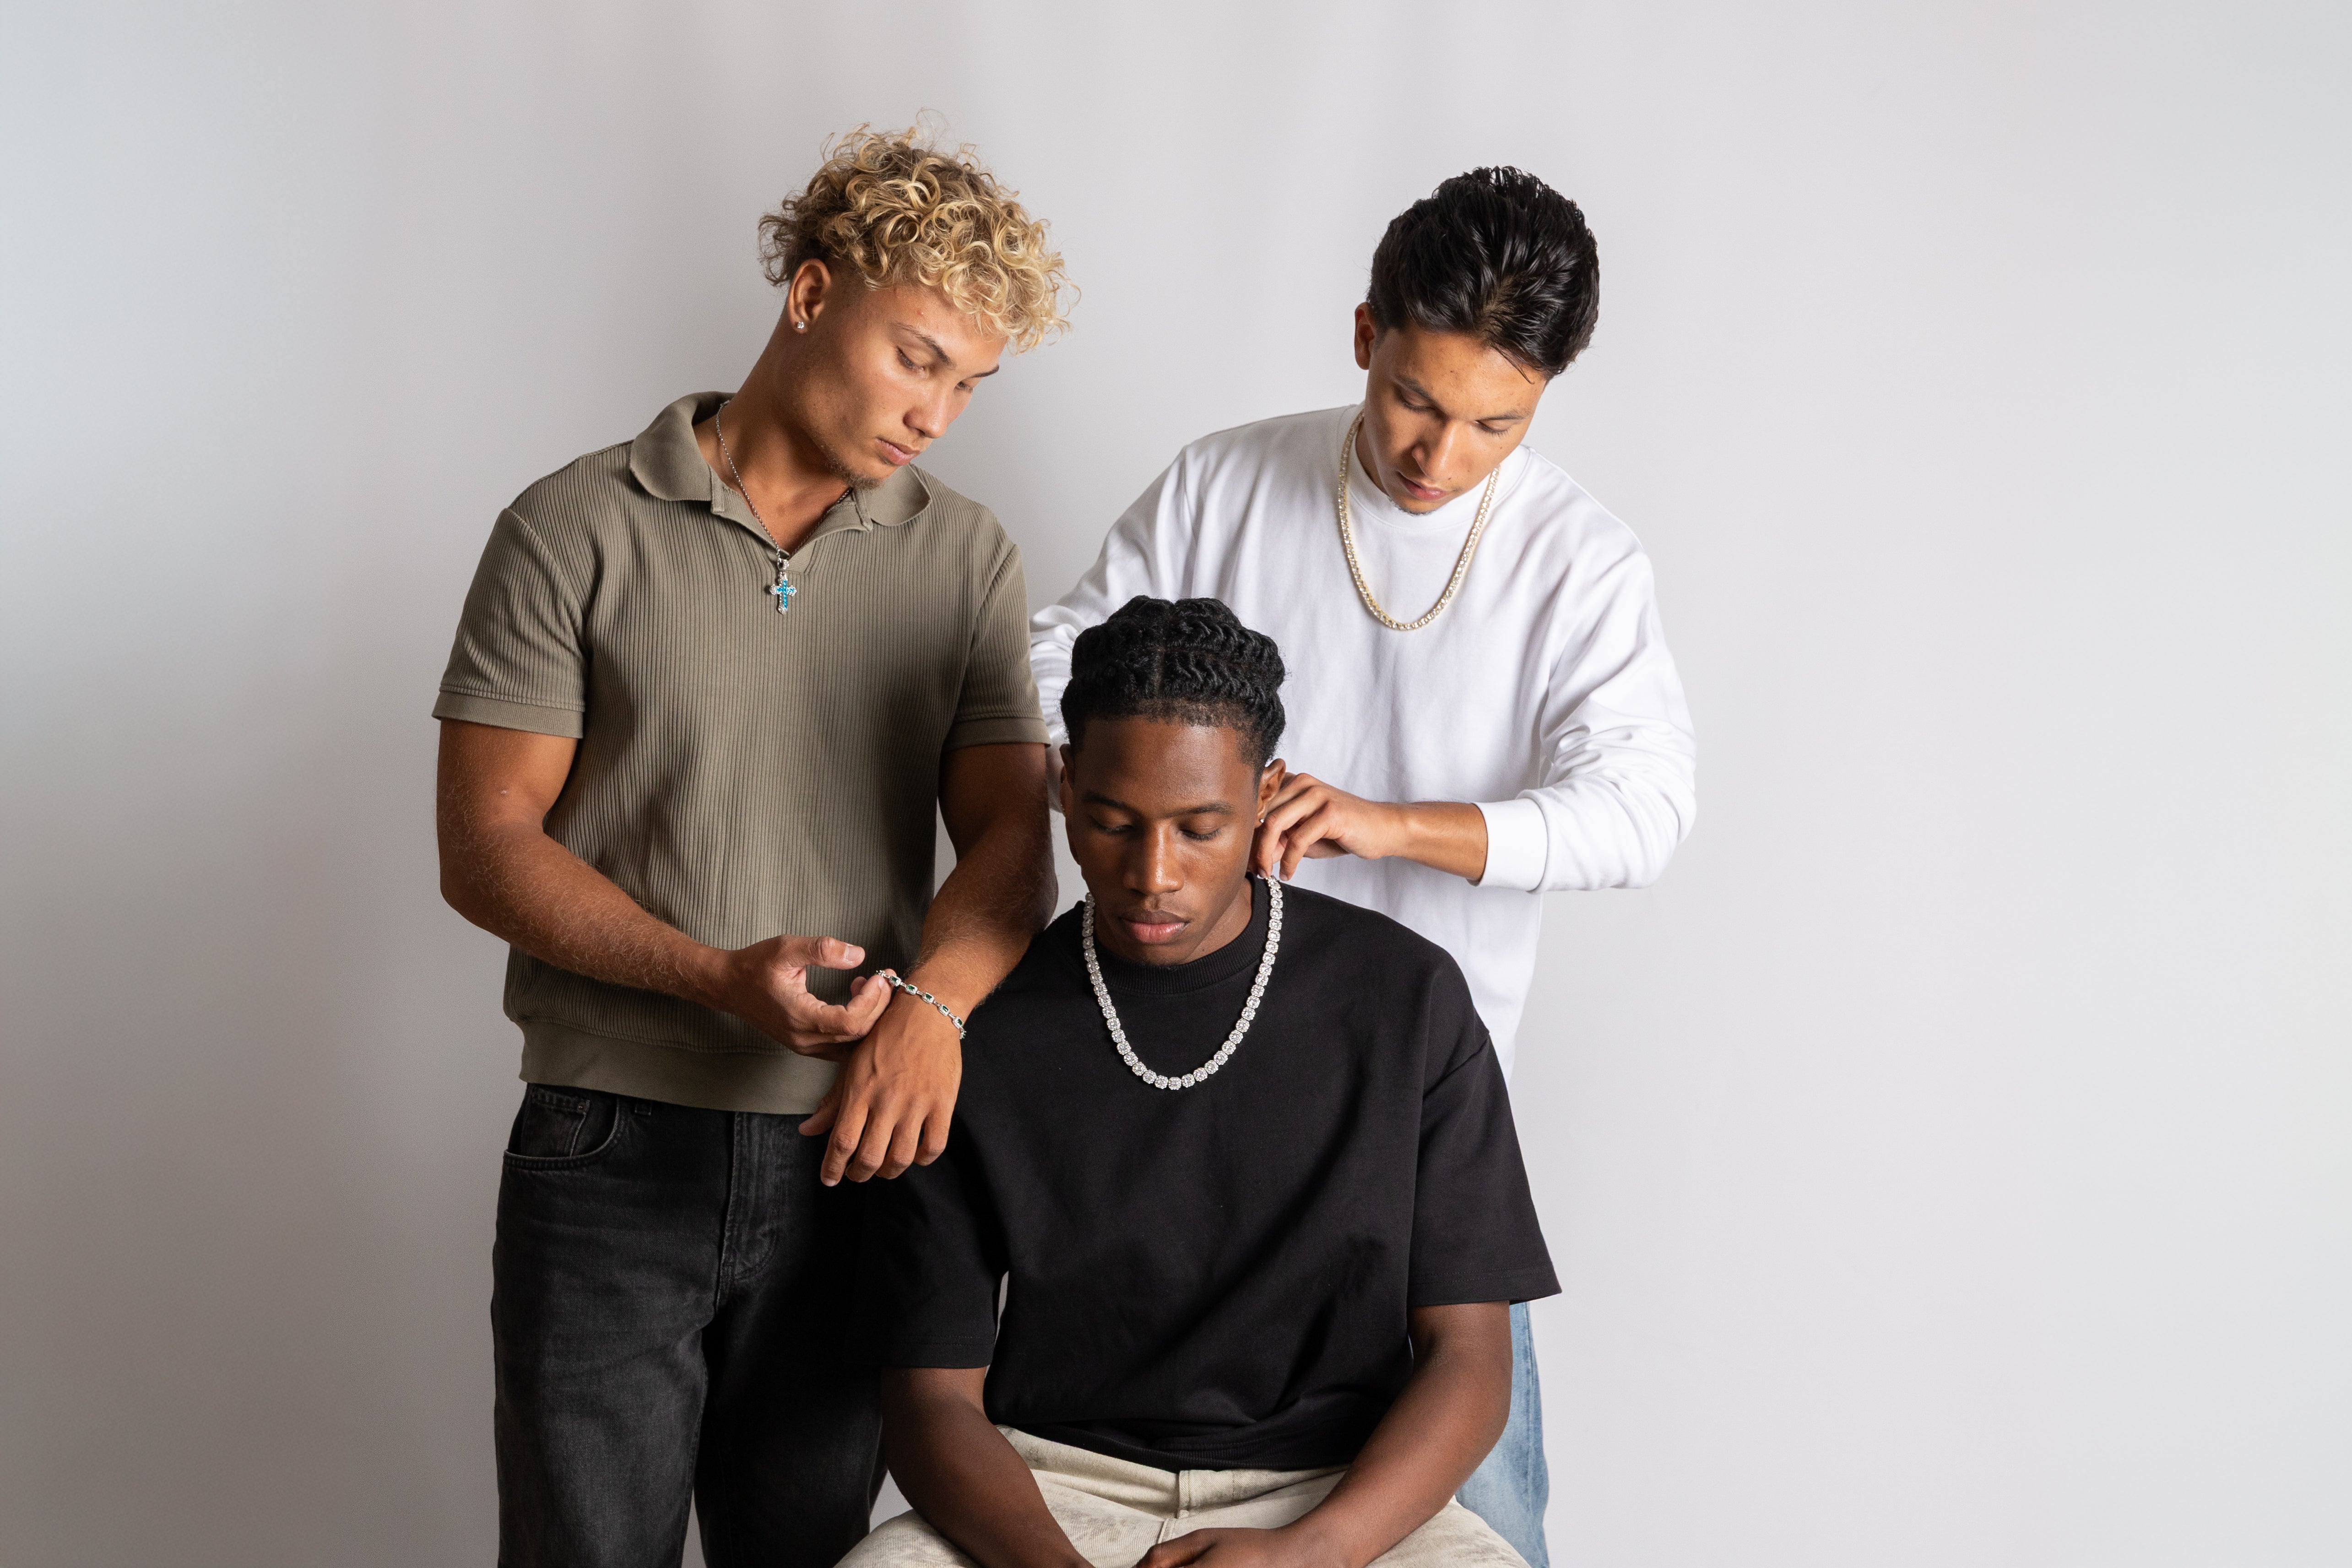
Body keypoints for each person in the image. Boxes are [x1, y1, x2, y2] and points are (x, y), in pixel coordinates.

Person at [1028, 168, 1698, 1563]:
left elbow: (1644, 809)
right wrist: (1164, 785)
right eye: (1414, 399)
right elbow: (1048, 668)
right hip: (1173, 1093)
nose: (1438, 455)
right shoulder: (1226, 480)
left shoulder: (1578, 560)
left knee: (1489, 1529)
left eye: (1492, 424)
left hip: (1415, 1119)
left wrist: (1386, 823)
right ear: (1362, 336)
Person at [430, 127, 1070, 1568]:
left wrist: (937, 1009)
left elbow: (1010, 847)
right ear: (811, 294)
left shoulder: (963, 555)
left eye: (970, 383)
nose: (938, 414)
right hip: (606, 1145)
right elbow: (482, 845)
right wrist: (716, 977)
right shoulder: (572, 527)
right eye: (919, 357)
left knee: (809, 1551)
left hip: (852, 1146)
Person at [845, 596, 1558, 1568]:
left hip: (1337, 1492)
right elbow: (929, 1396)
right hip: (1048, 1488)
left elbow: (1470, 1358)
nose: (1152, 873)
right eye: (1109, 821)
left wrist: (1312, 1552)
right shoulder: (972, 1029)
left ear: (1268, 795)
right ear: (1063, 785)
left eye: (1199, 827)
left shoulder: (1404, 999)